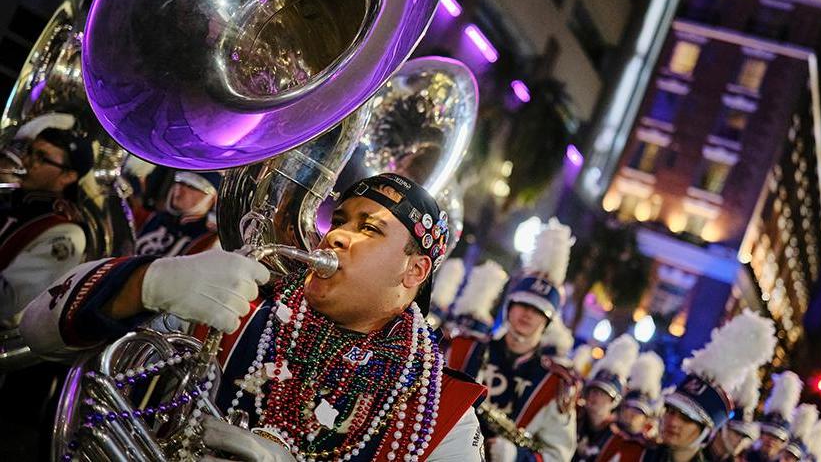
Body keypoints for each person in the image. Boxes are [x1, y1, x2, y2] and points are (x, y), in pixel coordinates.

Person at [20, 173, 487, 460]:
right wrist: (152, 282)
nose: (336, 237)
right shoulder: (238, 306)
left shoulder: (444, 414)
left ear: (415, 270)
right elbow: (37, 329)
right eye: (339, 219)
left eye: (368, 229)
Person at [445, 218, 581, 461]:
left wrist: (517, 456)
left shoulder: (555, 383)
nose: (527, 313)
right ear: (509, 307)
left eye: (538, 310)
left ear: (547, 321)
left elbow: (558, 456)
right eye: (522, 304)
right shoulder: (464, 347)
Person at [596, 310, 777, 462]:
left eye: (687, 418)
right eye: (671, 411)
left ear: (706, 430)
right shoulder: (630, 453)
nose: (673, 422)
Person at [0, 123, 93, 321]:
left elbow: (7, 301)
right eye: (30, 152)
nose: (26, 161)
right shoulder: (18, 202)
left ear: (68, 176)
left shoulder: (66, 232)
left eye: (41, 157)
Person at [573, 334, 640, 462]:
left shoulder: (618, 439)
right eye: (594, 390)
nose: (595, 396)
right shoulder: (574, 419)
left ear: (614, 401)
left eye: (603, 393)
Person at [133, 170, 221, 256]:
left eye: (192, 186)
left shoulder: (209, 240)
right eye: (180, 182)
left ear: (212, 198)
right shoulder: (148, 217)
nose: (180, 189)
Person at [704, 369, 762, 462]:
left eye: (743, 436)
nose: (740, 440)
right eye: (737, 433)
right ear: (721, 426)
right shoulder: (695, 454)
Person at [744, 371, 803, 462]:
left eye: (777, 437)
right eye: (768, 433)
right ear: (761, 435)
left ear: (783, 443)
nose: (771, 440)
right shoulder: (743, 457)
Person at [616, 351, 665, 443]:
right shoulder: (607, 432)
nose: (633, 415)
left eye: (639, 411)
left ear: (646, 419)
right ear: (622, 409)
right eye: (630, 408)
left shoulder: (648, 446)